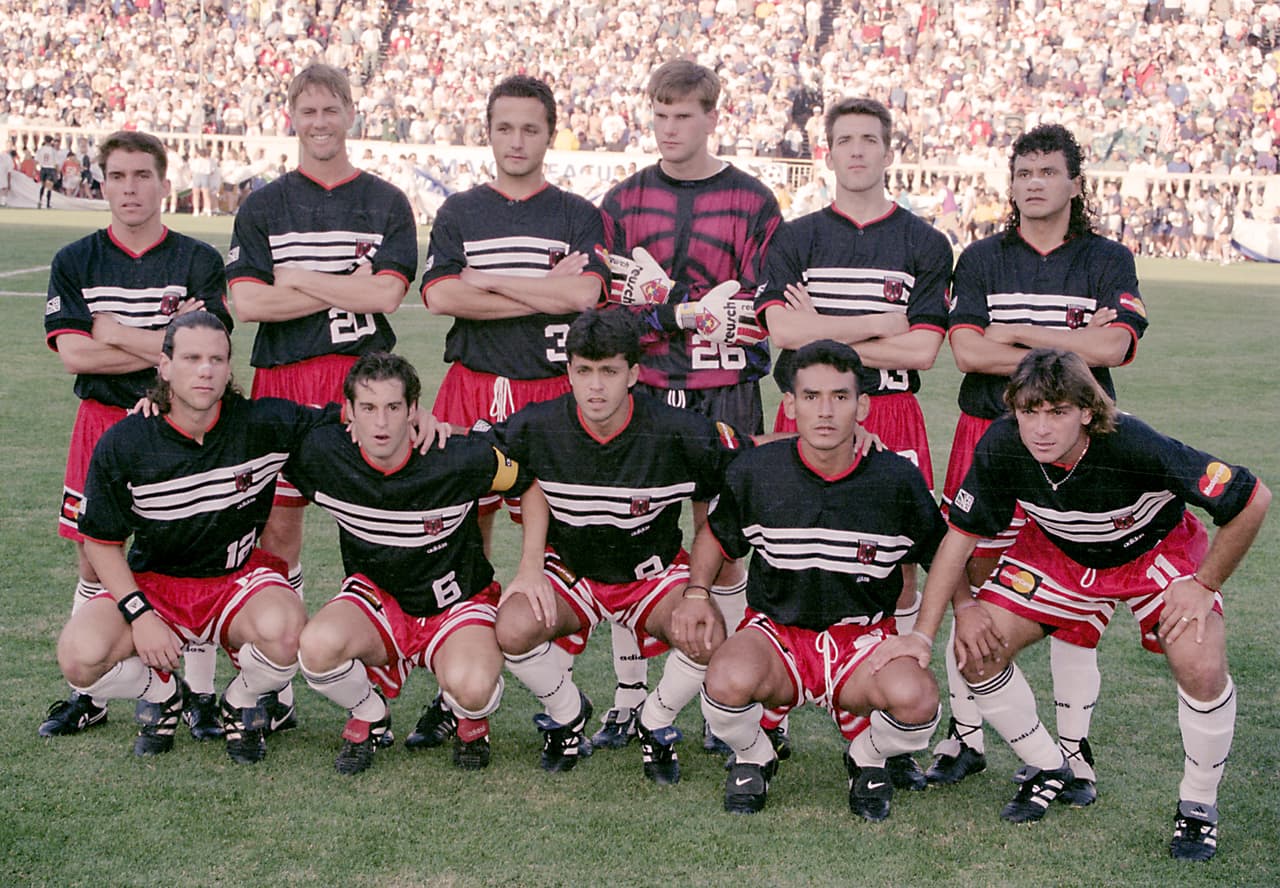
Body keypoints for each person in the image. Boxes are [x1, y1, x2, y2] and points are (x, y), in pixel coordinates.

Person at [898, 348, 1269, 860]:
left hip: (1154, 550)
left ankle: (1197, 806)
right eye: (1030, 413)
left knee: (1200, 665)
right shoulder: (1002, 444)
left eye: (1057, 412)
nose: (1041, 429)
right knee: (974, 652)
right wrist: (928, 631)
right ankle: (1051, 766)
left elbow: (1253, 498)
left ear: (1088, 412)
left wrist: (1203, 585)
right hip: (1060, 550)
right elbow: (958, 540)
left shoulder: (1132, 442)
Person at [931, 124, 1149, 799]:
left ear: (1075, 183)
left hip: (1081, 448)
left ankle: (1074, 750)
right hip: (985, 430)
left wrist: (1020, 333)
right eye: (1023, 172)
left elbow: (1115, 345)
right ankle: (964, 737)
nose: (1034, 183)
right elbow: (968, 353)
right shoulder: (983, 256)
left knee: (1070, 590)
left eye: (1048, 171)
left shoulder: (1109, 257)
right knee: (971, 574)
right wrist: (1070, 347)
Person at [755, 97, 952, 787]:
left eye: (871, 139)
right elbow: (781, 334)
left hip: (893, 410)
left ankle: (882, 722)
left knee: (897, 557)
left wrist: (826, 327)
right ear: (827, 154)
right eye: (846, 141)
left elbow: (925, 350)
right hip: (808, 412)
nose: (859, 151)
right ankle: (767, 718)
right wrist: (880, 317)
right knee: (785, 542)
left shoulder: (926, 243)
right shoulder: (796, 236)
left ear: (889, 150)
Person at [416, 74, 607, 751]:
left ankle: (561, 700)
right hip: (471, 387)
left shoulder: (578, 212)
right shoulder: (462, 211)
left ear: (550, 134)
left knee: (553, 551)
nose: (518, 140)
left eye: (531, 128)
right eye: (506, 127)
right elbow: (440, 296)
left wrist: (489, 281)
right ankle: (460, 696)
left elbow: (586, 294)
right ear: (488, 132)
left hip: (550, 394)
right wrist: (545, 292)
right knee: (463, 539)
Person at [598, 59, 782, 753]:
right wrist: (683, 314)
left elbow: (761, 312)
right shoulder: (622, 201)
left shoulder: (754, 201)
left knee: (727, 545)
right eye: (660, 114)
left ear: (712, 116)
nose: (670, 128)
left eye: (684, 115)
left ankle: (718, 693)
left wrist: (674, 314)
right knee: (627, 540)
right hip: (644, 394)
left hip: (725, 392)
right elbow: (611, 313)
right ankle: (627, 698)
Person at [56, 311, 326, 764]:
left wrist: (414, 414)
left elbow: (349, 417)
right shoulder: (126, 441)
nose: (205, 369)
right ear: (164, 366)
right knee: (79, 658)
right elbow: (101, 542)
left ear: (228, 367)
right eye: (192, 358)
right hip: (157, 583)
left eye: (217, 359)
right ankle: (162, 692)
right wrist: (140, 616)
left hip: (235, 581)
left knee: (289, 634)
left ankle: (240, 701)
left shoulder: (263, 422)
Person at [227, 62, 418, 700]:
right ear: (291, 118)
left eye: (330, 110)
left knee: (371, 517)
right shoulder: (264, 204)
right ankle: (277, 680)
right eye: (307, 112)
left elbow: (387, 295)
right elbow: (249, 305)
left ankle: (371, 654)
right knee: (279, 526)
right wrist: (342, 282)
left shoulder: (386, 201)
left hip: (360, 382)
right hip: (282, 377)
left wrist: (300, 278)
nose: (319, 123)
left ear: (350, 115)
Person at [693, 340, 945, 819]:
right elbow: (717, 535)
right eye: (810, 397)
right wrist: (695, 591)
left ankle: (867, 756)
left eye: (840, 397)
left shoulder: (896, 479)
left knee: (917, 701)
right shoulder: (757, 472)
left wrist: (949, 618)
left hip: (862, 639)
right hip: (777, 636)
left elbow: (942, 557)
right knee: (724, 681)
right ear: (789, 404)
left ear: (863, 405)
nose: (825, 411)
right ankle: (755, 755)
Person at [492, 309, 747, 782]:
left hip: (652, 575)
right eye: (583, 371)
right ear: (567, 371)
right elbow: (470, 454)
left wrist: (841, 440)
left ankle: (656, 721)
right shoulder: (538, 426)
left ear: (633, 373)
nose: (595, 386)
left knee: (706, 635)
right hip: (574, 575)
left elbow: (757, 458)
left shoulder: (675, 430)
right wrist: (433, 430)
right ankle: (568, 714)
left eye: (608, 371)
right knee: (511, 627)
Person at [40, 130, 232, 743]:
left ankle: (199, 694)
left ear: (163, 182)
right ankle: (89, 694)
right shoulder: (75, 260)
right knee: (94, 555)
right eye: (118, 176)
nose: (130, 188)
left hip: (182, 423)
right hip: (102, 423)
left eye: (142, 176)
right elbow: (73, 353)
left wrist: (114, 330)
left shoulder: (199, 259)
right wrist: (161, 341)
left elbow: (205, 352)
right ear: (102, 184)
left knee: (188, 551)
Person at [289, 352, 519, 774]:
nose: (381, 423)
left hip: (455, 603)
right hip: (377, 600)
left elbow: (527, 473)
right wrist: (159, 402)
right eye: (369, 408)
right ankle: (370, 713)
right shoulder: (322, 452)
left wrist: (532, 570)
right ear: (349, 413)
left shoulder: (457, 456)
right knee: (317, 647)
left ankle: (466, 716)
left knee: (473, 687)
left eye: (394, 408)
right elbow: (248, 423)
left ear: (414, 411)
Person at [37, 136, 60, 209]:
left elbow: (37, 160)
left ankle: (40, 200)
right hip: (51, 169)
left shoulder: (40, 150)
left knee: (43, 185)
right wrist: (58, 172)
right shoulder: (53, 151)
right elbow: (56, 163)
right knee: (49, 187)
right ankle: (47, 203)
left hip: (43, 168)